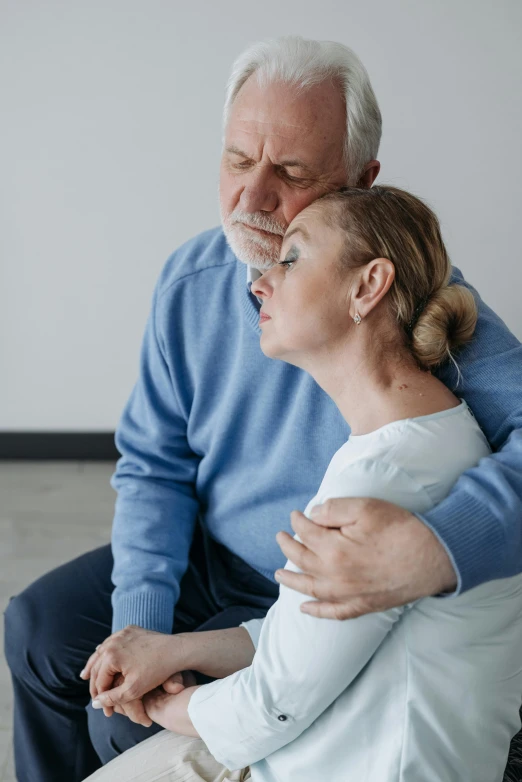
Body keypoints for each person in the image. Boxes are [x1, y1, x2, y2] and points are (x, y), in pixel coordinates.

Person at [3, 36, 522, 782]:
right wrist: (141, 630)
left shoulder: (421, 304)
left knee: (124, 728)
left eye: (292, 173)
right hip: (212, 559)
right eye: (238, 161)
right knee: (39, 632)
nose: (251, 200)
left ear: (362, 185)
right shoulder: (190, 280)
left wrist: (437, 547)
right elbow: (154, 467)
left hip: (322, 583)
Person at [82, 186, 522, 782]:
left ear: (367, 286)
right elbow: (306, 636)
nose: (259, 282)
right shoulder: (415, 435)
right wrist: (176, 651)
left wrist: (161, 701)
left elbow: (268, 707)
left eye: (290, 260)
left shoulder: (385, 478)